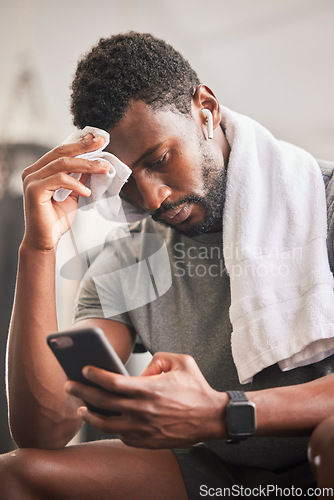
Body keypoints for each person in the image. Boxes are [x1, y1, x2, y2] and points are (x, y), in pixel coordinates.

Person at [1, 31, 334, 499]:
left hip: (319, 459)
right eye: (127, 181)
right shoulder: (127, 260)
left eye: (160, 158)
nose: (152, 197)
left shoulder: (326, 201)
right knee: (17, 475)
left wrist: (222, 411)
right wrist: (37, 248)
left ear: (206, 108)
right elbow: (44, 430)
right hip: (216, 473)